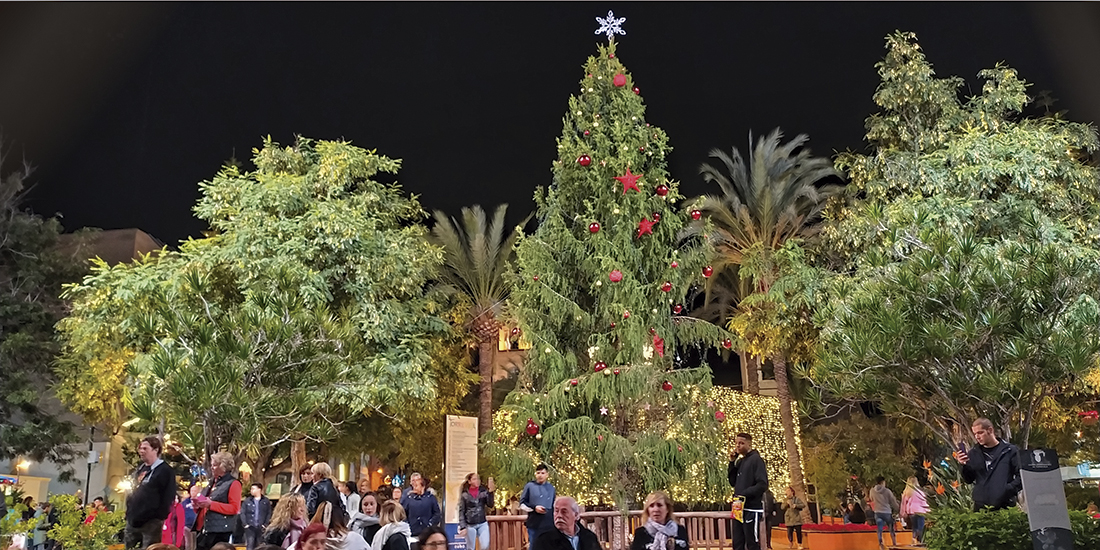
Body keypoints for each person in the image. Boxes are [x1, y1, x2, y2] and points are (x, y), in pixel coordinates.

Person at [126, 435, 178, 550]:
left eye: (145, 448)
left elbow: (168, 496)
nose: (141, 451)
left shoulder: (165, 471)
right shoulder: (140, 469)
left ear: (156, 450)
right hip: (133, 520)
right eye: (140, 448)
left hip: (151, 523)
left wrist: (158, 517)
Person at [957, 418, 1022, 511]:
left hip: (1005, 506)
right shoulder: (973, 453)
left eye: (980, 433)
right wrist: (964, 465)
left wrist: (1007, 490)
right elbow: (969, 480)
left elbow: (1022, 476)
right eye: (975, 434)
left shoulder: (1010, 451)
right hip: (981, 507)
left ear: (990, 430)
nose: (977, 437)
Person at [194, 451, 243, 550]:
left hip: (219, 531)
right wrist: (197, 505)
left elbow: (234, 508)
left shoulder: (233, 483)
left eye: (215, 465)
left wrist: (211, 504)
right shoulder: (212, 482)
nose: (212, 467)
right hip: (204, 529)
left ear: (223, 466)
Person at [728, 433, 768, 550]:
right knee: (737, 543)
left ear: (749, 444)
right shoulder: (741, 462)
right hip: (738, 508)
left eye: (741, 443)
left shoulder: (756, 460)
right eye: (736, 443)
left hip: (751, 508)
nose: (738, 446)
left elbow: (762, 484)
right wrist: (732, 462)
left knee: (752, 543)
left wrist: (744, 494)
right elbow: (732, 482)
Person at [532, 497, 599, 550]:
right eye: (556, 511)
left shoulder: (589, 537)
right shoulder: (544, 540)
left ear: (576, 515)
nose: (559, 515)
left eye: (564, 512)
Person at [519, 464, 556, 548]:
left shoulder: (551, 488)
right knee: (534, 546)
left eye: (542, 473)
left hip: (549, 524)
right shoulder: (529, 486)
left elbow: (553, 505)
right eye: (538, 473)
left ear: (547, 475)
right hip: (534, 524)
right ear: (535, 474)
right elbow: (522, 503)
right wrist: (534, 508)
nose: (540, 475)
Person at [457, 473, 495, 550]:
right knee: (471, 548)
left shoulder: (483, 491)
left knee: (485, 546)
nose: (477, 480)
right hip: (470, 524)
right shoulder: (465, 495)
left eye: (478, 479)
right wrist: (463, 526)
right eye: (474, 479)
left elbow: (490, 505)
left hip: (482, 522)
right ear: (469, 481)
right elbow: (461, 511)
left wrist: (490, 493)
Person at [399, 472, 440, 538]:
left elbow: (437, 513)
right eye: (413, 486)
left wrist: (430, 524)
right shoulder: (408, 498)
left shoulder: (430, 497)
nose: (414, 488)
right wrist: (407, 525)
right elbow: (402, 513)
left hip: (427, 533)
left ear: (423, 486)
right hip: (412, 532)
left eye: (416, 486)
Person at [868, 476, 898, 549]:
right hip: (886, 512)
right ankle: (894, 542)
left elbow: (871, 499)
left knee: (880, 528)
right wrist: (897, 508)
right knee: (891, 527)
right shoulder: (887, 491)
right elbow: (892, 501)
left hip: (877, 512)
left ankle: (880, 543)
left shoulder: (872, 491)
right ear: (883, 482)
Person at [242, 483, 273, 550]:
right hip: (250, 527)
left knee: (260, 545)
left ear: (259, 489)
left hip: (261, 527)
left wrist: (265, 524)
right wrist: (245, 524)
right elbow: (243, 512)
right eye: (251, 489)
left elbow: (269, 513)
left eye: (253, 489)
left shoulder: (265, 501)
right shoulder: (247, 501)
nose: (251, 491)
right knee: (250, 545)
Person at [900, 476, 929, 546]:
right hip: (921, 511)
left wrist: (902, 513)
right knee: (920, 528)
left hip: (911, 512)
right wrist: (928, 511)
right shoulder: (920, 492)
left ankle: (914, 540)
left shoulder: (906, 492)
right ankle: (920, 541)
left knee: (914, 527)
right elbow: (924, 502)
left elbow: (903, 503)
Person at [182, 485, 199, 550]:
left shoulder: (201, 501)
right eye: (192, 491)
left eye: (195, 491)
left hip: (197, 526)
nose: (193, 492)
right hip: (187, 525)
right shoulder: (185, 502)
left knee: (195, 543)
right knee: (188, 544)